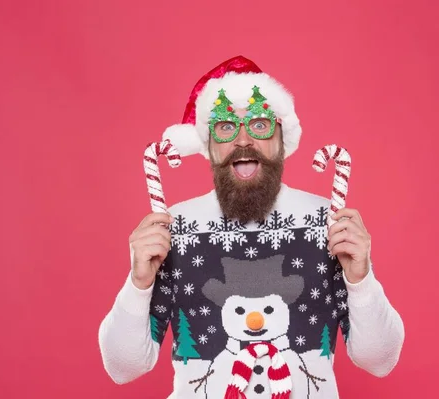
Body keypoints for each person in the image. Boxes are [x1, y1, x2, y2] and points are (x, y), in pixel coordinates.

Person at [98, 56, 405, 399]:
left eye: (259, 124)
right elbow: (122, 367)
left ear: (281, 138)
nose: (243, 140)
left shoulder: (330, 224)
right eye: (226, 126)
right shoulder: (173, 228)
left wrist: (361, 280)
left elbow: (380, 360)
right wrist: (138, 283)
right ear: (209, 144)